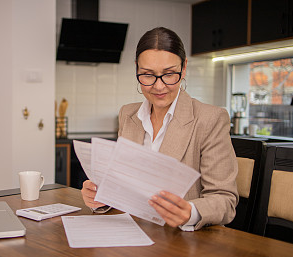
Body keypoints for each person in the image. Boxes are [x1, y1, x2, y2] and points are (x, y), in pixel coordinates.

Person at [81, 27, 238, 231]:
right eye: (147, 75)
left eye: (169, 74)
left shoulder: (210, 119)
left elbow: (225, 200)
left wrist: (189, 212)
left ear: (184, 68)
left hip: (182, 241)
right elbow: (122, 186)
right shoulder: (128, 115)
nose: (159, 86)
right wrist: (102, 196)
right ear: (136, 68)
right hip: (134, 232)